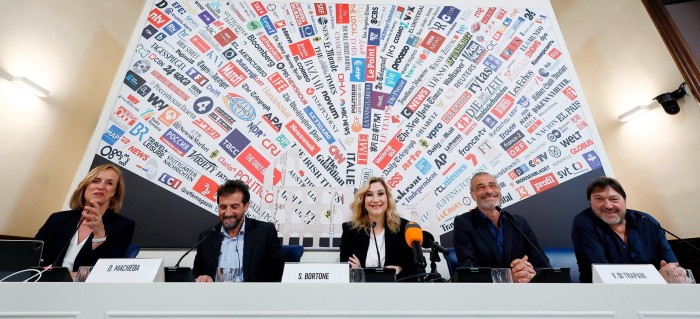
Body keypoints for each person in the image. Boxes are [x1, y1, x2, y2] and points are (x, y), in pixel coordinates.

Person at [572, 176, 681, 283]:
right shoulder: (584, 224)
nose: (608, 205)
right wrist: (658, 277)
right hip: (605, 296)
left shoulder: (647, 221)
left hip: (655, 294)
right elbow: (602, 274)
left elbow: (673, 265)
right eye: (599, 199)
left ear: (624, 200)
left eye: (614, 199)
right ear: (590, 202)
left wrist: (672, 271)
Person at [35, 164, 135, 271]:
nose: (101, 187)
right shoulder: (57, 219)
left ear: (114, 192)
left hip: (84, 287)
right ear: (86, 186)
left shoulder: (123, 226)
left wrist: (99, 236)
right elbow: (32, 255)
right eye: (95, 181)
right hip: (44, 282)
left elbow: (106, 272)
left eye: (109, 183)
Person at [453, 172, 549, 283]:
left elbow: (544, 265)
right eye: (481, 187)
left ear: (499, 190)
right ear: (472, 195)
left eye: (492, 185)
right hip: (485, 296)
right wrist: (509, 277)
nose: (489, 191)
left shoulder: (519, 222)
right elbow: (470, 272)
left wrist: (529, 273)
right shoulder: (464, 223)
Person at [192, 179, 285, 282]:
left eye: (234, 207)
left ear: (245, 206)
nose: (228, 213)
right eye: (223, 207)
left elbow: (279, 273)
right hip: (216, 296)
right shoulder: (207, 236)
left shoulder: (264, 232)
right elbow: (196, 273)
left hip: (253, 296)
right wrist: (202, 277)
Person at [339, 177, 419, 280]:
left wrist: (399, 269)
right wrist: (390, 272)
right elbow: (347, 270)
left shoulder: (405, 228)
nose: (376, 200)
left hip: (397, 292)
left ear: (387, 198)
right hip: (361, 292)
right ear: (363, 201)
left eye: (380, 194)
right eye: (369, 195)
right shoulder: (350, 230)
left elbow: (416, 270)